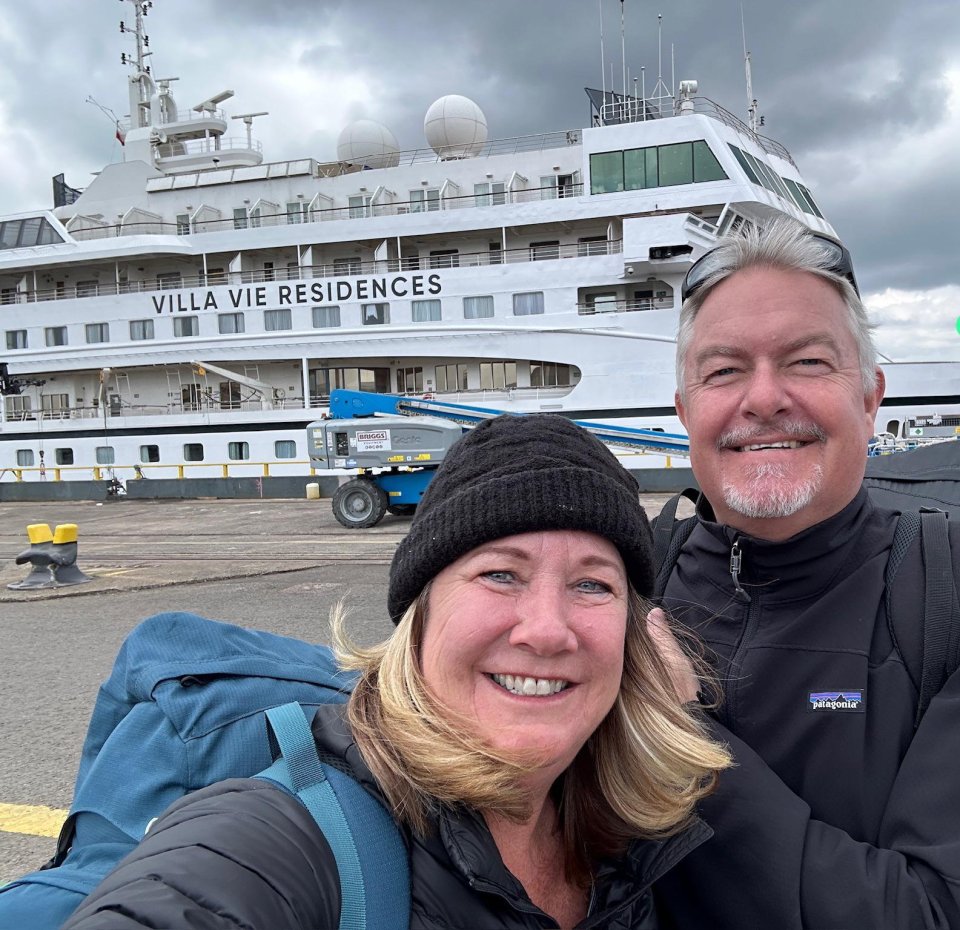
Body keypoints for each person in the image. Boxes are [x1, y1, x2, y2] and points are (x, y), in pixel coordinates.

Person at [63, 414, 731, 930]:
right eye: (500, 574)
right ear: (421, 614)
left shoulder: (625, 825)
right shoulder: (287, 838)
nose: (549, 630)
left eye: (593, 586)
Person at [652, 217, 960, 930]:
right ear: (685, 411)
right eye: (724, 370)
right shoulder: (626, 577)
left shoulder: (942, 594)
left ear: (870, 396)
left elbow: (934, 912)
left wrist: (680, 739)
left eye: (808, 362)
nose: (763, 399)